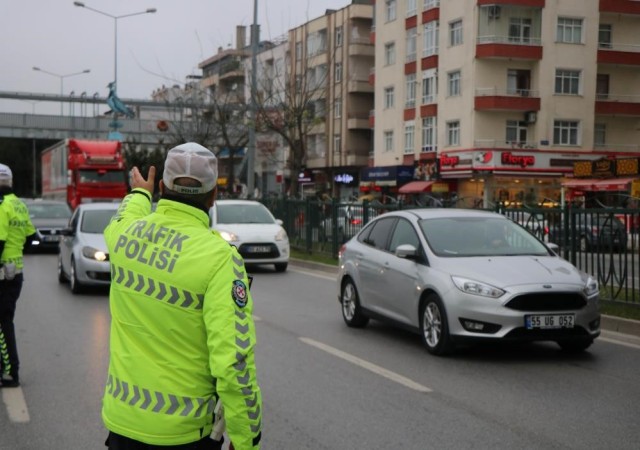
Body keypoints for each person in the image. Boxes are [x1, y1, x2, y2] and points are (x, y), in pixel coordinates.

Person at [102, 143, 262, 449]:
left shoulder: (124, 237)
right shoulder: (220, 259)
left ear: (162, 187)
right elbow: (233, 363)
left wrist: (139, 193)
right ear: (214, 196)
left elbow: (123, 217)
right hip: (185, 435)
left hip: (122, 426)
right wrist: (247, 439)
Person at [0, 163, 37, 388]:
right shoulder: (20, 205)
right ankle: (7, 368)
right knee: (5, 321)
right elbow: (33, 237)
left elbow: (0, 241)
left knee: (3, 323)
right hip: (16, 274)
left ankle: (11, 372)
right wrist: (18, 254)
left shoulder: (2, 206)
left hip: (3, 274)